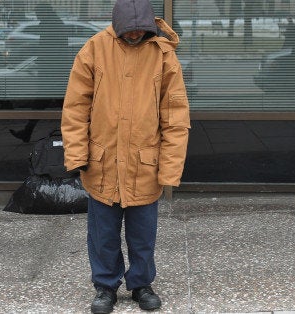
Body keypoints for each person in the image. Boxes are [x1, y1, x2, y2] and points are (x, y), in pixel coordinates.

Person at [60, 0, 190, 313]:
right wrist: (77, 154)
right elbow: (75, 108)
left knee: (142, 235)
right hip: (101, 163)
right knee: (102, 235)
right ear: (117, 26)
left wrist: (170, 169)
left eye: (139, 31)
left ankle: (141, 284)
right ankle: (105, 286)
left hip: (144, 165)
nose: (133, 36)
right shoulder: (94, 49)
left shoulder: (163, 54)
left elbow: (176, 116)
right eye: (127, 31)